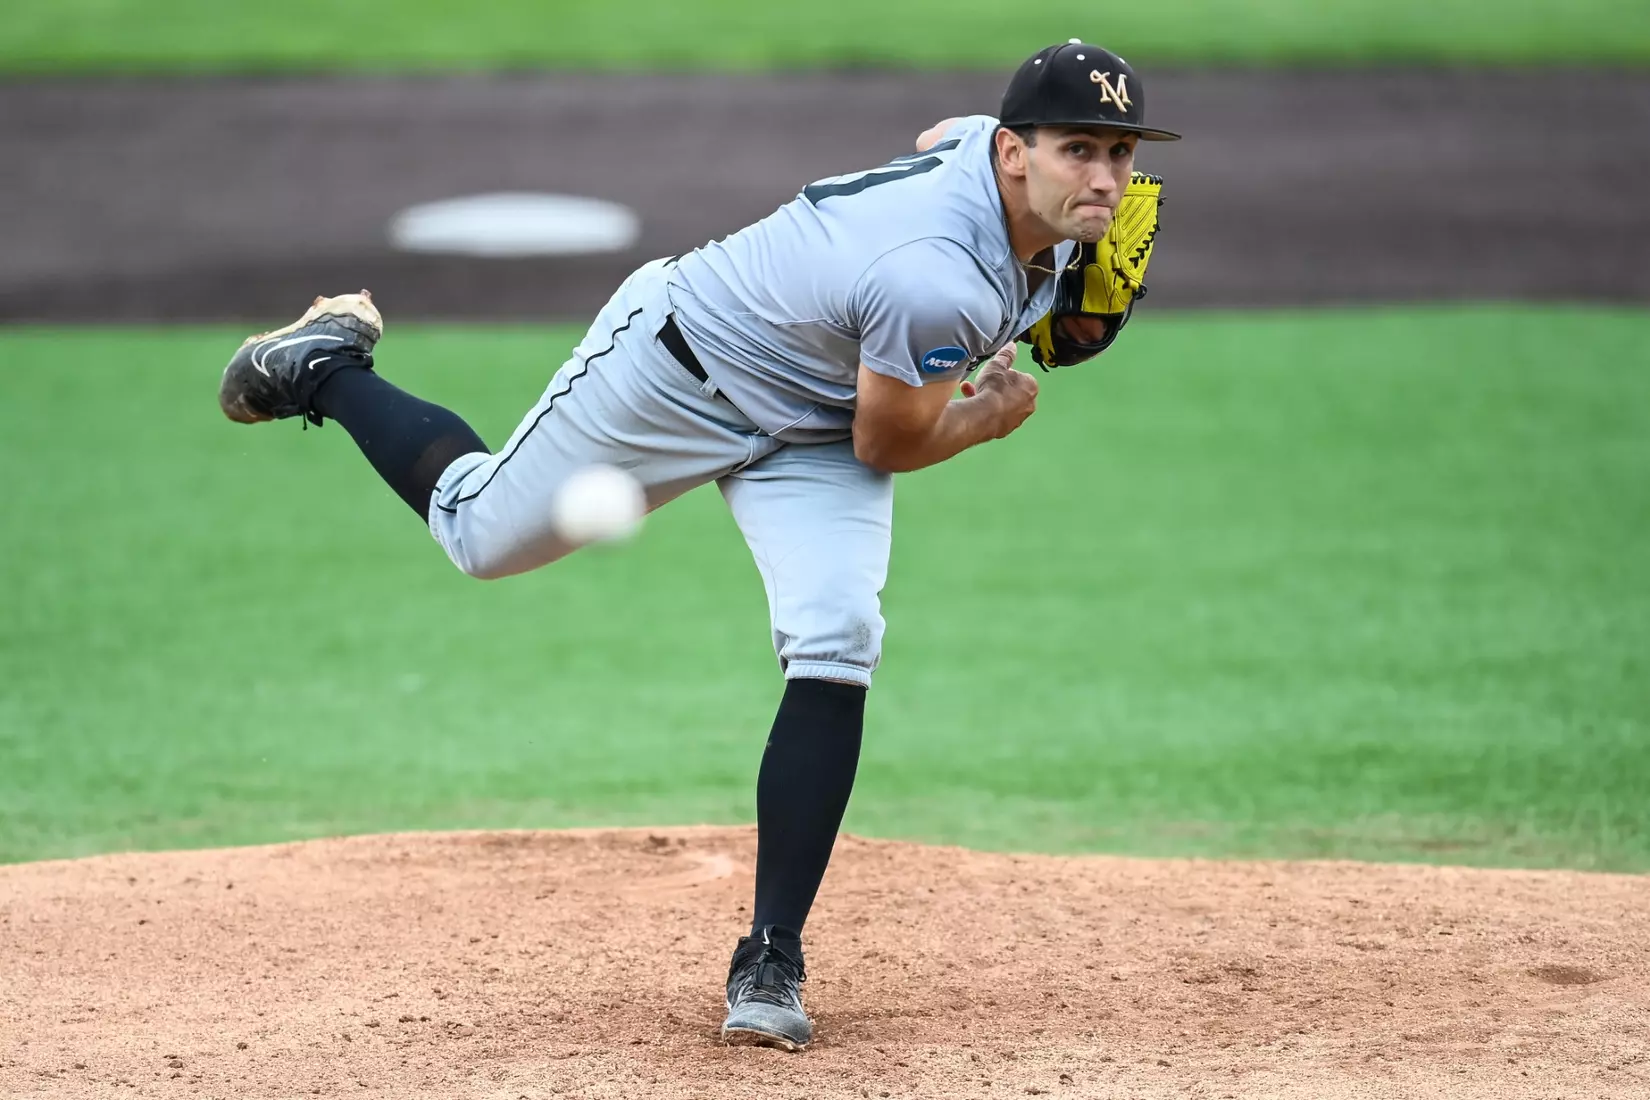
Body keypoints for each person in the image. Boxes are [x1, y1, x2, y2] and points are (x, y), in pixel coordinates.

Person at [216, 39, 1178, 1051]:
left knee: (839, 633)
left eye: (1121, 151)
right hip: (682, 369)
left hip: (812, 413)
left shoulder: (1001, 162)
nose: (1108, 179)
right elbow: (888, 438)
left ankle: (770, 955)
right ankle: (320, 363)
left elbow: (944, 135)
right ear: (1017, 155)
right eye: (1081, 149)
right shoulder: (934, 280)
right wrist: (986, 415)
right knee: (479, 534)